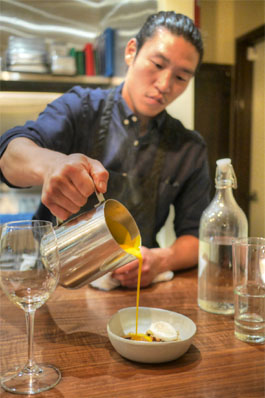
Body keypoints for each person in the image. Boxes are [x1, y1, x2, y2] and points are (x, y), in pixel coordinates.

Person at [0, 11, 211, 289]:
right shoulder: (80, 108)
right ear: (131, 51)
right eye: (158, 64)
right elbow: (9, 154)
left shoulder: (189, 148)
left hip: (135, 286)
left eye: (181, 78)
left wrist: (162, 259)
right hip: (54, 282)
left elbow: (197, 236)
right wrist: (50, 164)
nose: (165, 85)